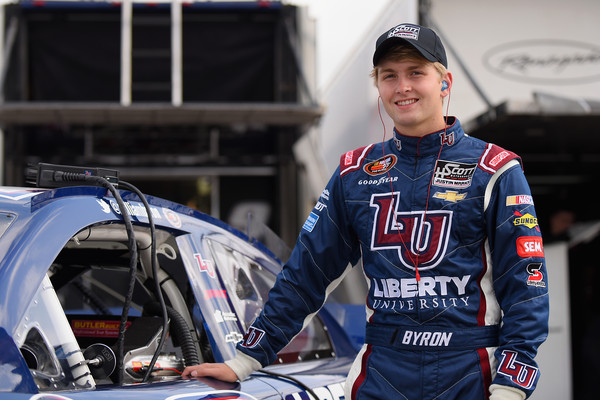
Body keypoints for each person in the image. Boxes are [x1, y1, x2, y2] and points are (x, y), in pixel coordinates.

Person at [182, 23, 549, 400]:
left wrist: (511, 386)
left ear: (444, 82)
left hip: (470, 372)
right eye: (389, 76)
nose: (402, 87)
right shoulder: (354, 173)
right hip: (382, 375)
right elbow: (306, 274)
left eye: (416, 73)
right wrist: (245, 360)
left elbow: (526, 285)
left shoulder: (495, 168)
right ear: (378, 86)